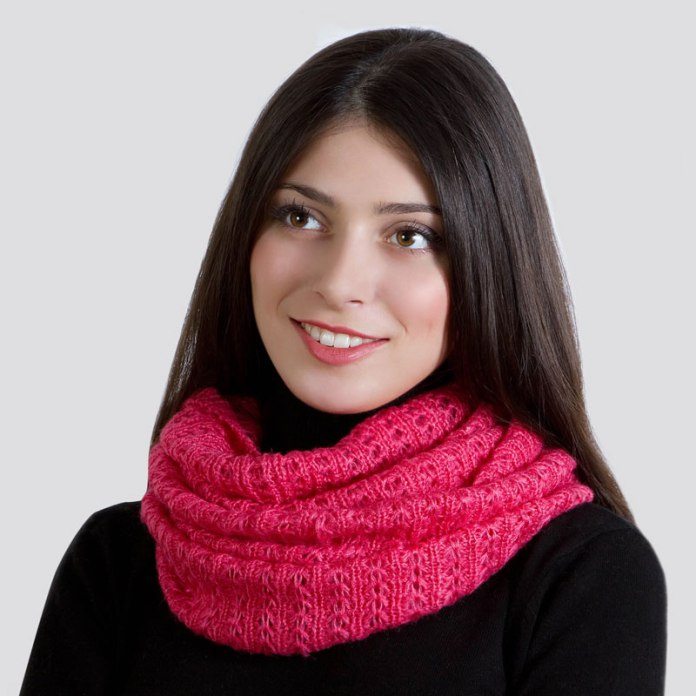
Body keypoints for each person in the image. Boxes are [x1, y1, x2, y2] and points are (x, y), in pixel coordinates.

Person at [19, 27, 667, 695]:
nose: (339, 282)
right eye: (301, 217)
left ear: (488, 266)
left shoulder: (581, 575)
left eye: (410, 235)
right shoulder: (121, 560)